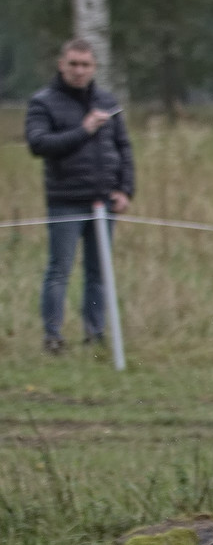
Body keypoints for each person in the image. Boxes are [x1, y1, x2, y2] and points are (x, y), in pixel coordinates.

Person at [25, 39, 133, 355]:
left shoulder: (107, 101)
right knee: (59, 270)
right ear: (62, 65)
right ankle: (53, 336)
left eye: (85, 65)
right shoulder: (43, 102)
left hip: (104, 202)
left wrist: (125, 190)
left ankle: (95, 333)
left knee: (98, 272)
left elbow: (123, 148)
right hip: (66, 200)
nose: (79, 70)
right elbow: (39, 144)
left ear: (93, 68)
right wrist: (84, 130)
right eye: (73, 64)